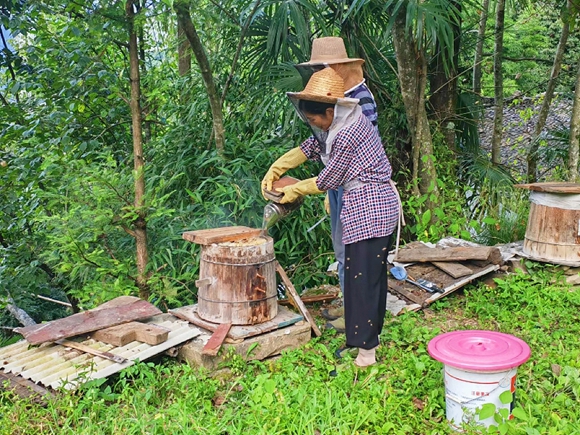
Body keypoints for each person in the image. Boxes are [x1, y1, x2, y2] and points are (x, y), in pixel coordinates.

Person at [263, 68, 400, 367]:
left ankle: (367, 353)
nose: (313, 125)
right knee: (362, 277)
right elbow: (312, 146)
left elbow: (329, 178)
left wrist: (294, 188)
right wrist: (279, 166)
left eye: (314, 120)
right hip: (363, 207)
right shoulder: (336, 123)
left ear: (329, 110)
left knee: (363, 281)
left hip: (371, 208)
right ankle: (365, 340)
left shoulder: (350, 131)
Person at [293, 37, 381, 332]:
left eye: (324, 66)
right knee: (342, 249)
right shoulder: (332, 100)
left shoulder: (358, 102)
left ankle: (356, 312)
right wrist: (286, 162)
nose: (320, 71)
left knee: (351, 251)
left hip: (358, 187)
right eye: (318, 67)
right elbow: (320, 140)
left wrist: (305, 185)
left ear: (340, 67)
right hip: (339, 182)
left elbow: (341, 153)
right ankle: (350, 302)